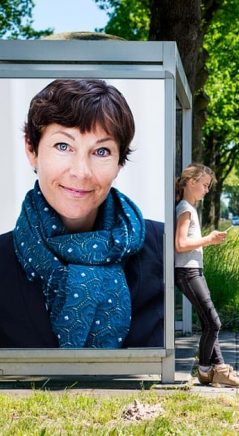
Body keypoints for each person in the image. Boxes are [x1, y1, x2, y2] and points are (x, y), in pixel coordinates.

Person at [0, 79, 164, 348]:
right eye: (63, 146)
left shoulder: (162, 245)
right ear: (32, 150)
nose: (81, 171)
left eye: (101, 151)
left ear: (119, 162)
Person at [175, 163, 239, 388]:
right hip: (187, 272)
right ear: (191, 182)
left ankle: (217, 370)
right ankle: (206, 370)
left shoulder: (188, 207)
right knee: (213, 323)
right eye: (204, 185)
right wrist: (209, 239)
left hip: (194, 270)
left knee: (210, 322)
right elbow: (180, 244)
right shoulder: (185, 208)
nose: (207, 190)